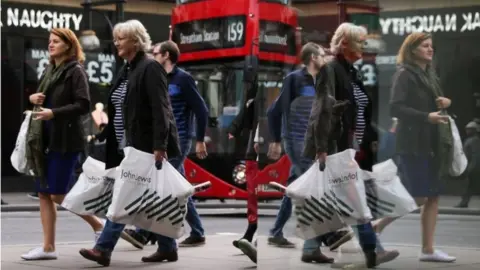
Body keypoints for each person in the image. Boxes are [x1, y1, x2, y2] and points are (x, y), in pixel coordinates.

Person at [79, 20, 182, 266]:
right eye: (115, 39)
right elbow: (118, 108)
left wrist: (160, 146)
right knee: (146, 196)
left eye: (120, 39)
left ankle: (103, 249)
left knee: (124, 196)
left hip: (146, 146)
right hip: (126, 145)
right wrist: (104, 136)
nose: (116, 43)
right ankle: (168, 247)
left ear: (135, 41)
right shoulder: (128, 69)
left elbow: (162, 109)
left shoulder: (150, 68)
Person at [21, 28, 105, 260]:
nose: (51, 45)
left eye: (56, 41)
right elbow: (41, 97)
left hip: (65, 140)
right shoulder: (50, 70)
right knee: (43, 194)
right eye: (50, 41)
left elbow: (83, 104)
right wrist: (32, 99)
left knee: (57, 194)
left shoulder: (75, 71)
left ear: (69, 45)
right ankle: (48, 248)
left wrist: (54, 113)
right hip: (44, 139)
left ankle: (99, 226)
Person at [322, 22, 399, 268]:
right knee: (353, 200)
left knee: (352, 200)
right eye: (360, 42)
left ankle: (355, 250)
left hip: (356, 148)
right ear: (344, 43)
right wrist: (324, 148)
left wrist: (369, 138)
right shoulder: (332, 70)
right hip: (339, 147)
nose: (364, 47)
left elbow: (361, 111)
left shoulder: (352, 71)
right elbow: (322, 112)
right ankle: (371, 251)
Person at [377, 32, 456, 262]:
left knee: (433, 197)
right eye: (425, 45)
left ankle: (428, 250)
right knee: (419, 197)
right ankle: (375, 227)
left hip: (432, 142)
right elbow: (395, 109)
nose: (431, 49)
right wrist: (426, 117)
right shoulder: (405, 75)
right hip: (413, 143)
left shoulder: (429, 74)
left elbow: (435, 103)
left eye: (432, 46)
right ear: (412, 50)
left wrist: (445, 102)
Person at [123, 40, 209, 248]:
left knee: (158, 184)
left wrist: (199, 140)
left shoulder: (183, 79)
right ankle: (197, 232)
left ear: (167, 55)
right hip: (163, 138)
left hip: (179, 140)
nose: (151, 56)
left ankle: (143, 233)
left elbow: (202, 110)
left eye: (155, 53)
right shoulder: (155, 76)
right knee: (178, 186)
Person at [267, 42, 347, 263]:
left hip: (313, 143)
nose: (326, 57)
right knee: (314, 190)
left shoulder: (324, 81)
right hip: (295, 141)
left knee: (297, 186)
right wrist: (275, 140)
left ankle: (276, 232)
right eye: (323, 54)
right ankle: (324, 238)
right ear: (313, 57)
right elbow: (274, 111)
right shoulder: (295, 79)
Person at [227, 74, 262, 264]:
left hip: (264, 146)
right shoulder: (254, 94)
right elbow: (247, 109)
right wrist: (234, 128)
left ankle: (255, 234)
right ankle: (250, 232)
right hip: (254, 148)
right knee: (252, 192)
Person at [455, 121, 480, 208]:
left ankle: (464, 202)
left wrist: (470, 169)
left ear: (475, 130)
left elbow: (475, 156)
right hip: (470, 166)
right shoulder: (470, 140)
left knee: (470, 186)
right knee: (469, 187)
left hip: (474, 168)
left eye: (470, 129)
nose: (467, 131)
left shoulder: (475, 140)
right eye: (467, 129)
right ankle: (464, 202)